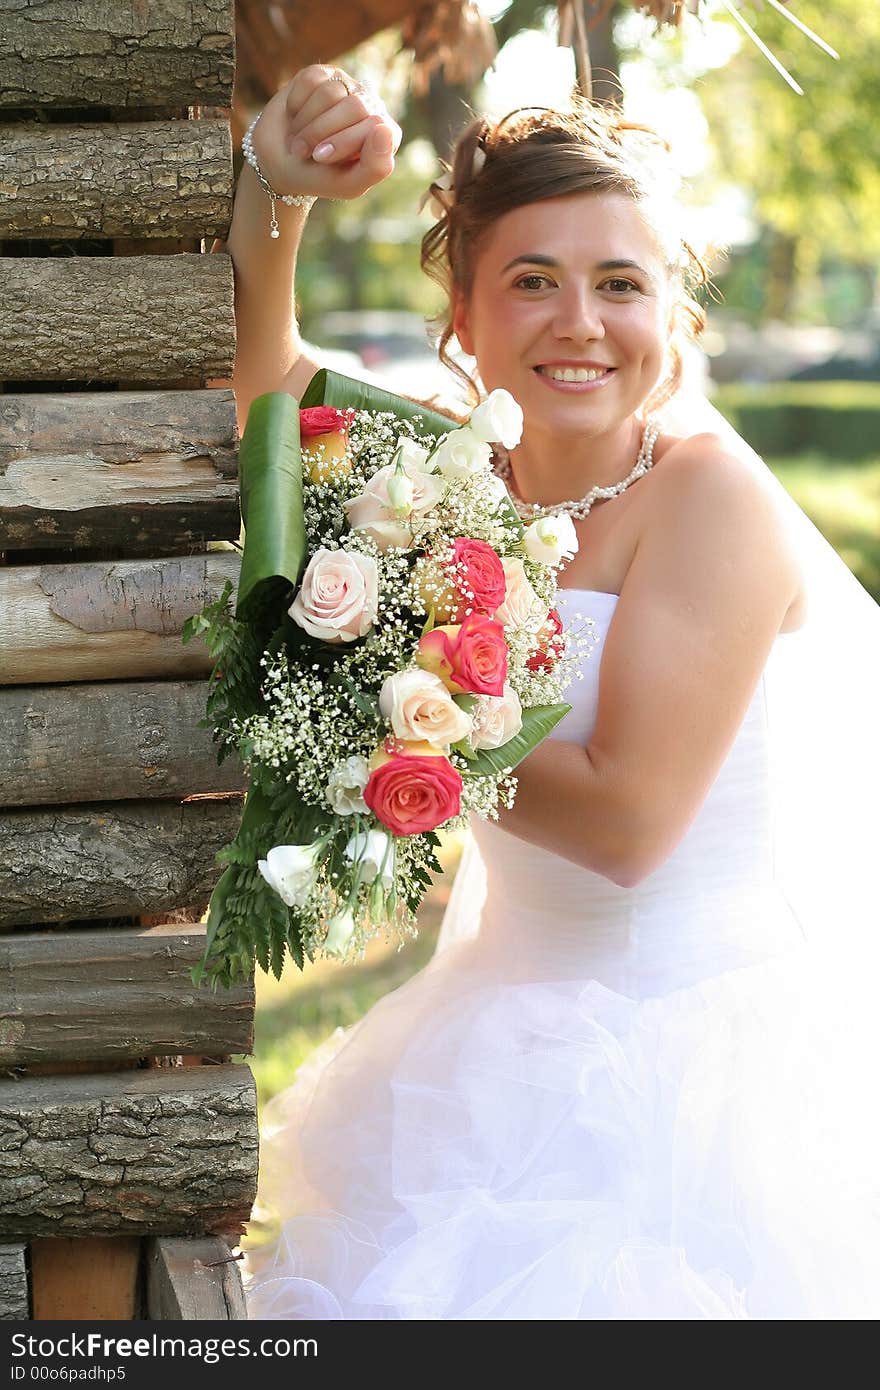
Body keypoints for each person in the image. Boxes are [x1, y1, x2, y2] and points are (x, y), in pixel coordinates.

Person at [224, 66, 880, 1319]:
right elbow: (268, 382)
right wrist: (277, 186)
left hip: (692, 1070)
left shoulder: (708, 498)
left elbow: (628, 824)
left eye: (620, 283)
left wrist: (370, 699)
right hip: (493, 1032)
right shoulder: (450, 469)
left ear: (673, 317)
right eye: (532, 280)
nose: (579, 320)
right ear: (462, 319)